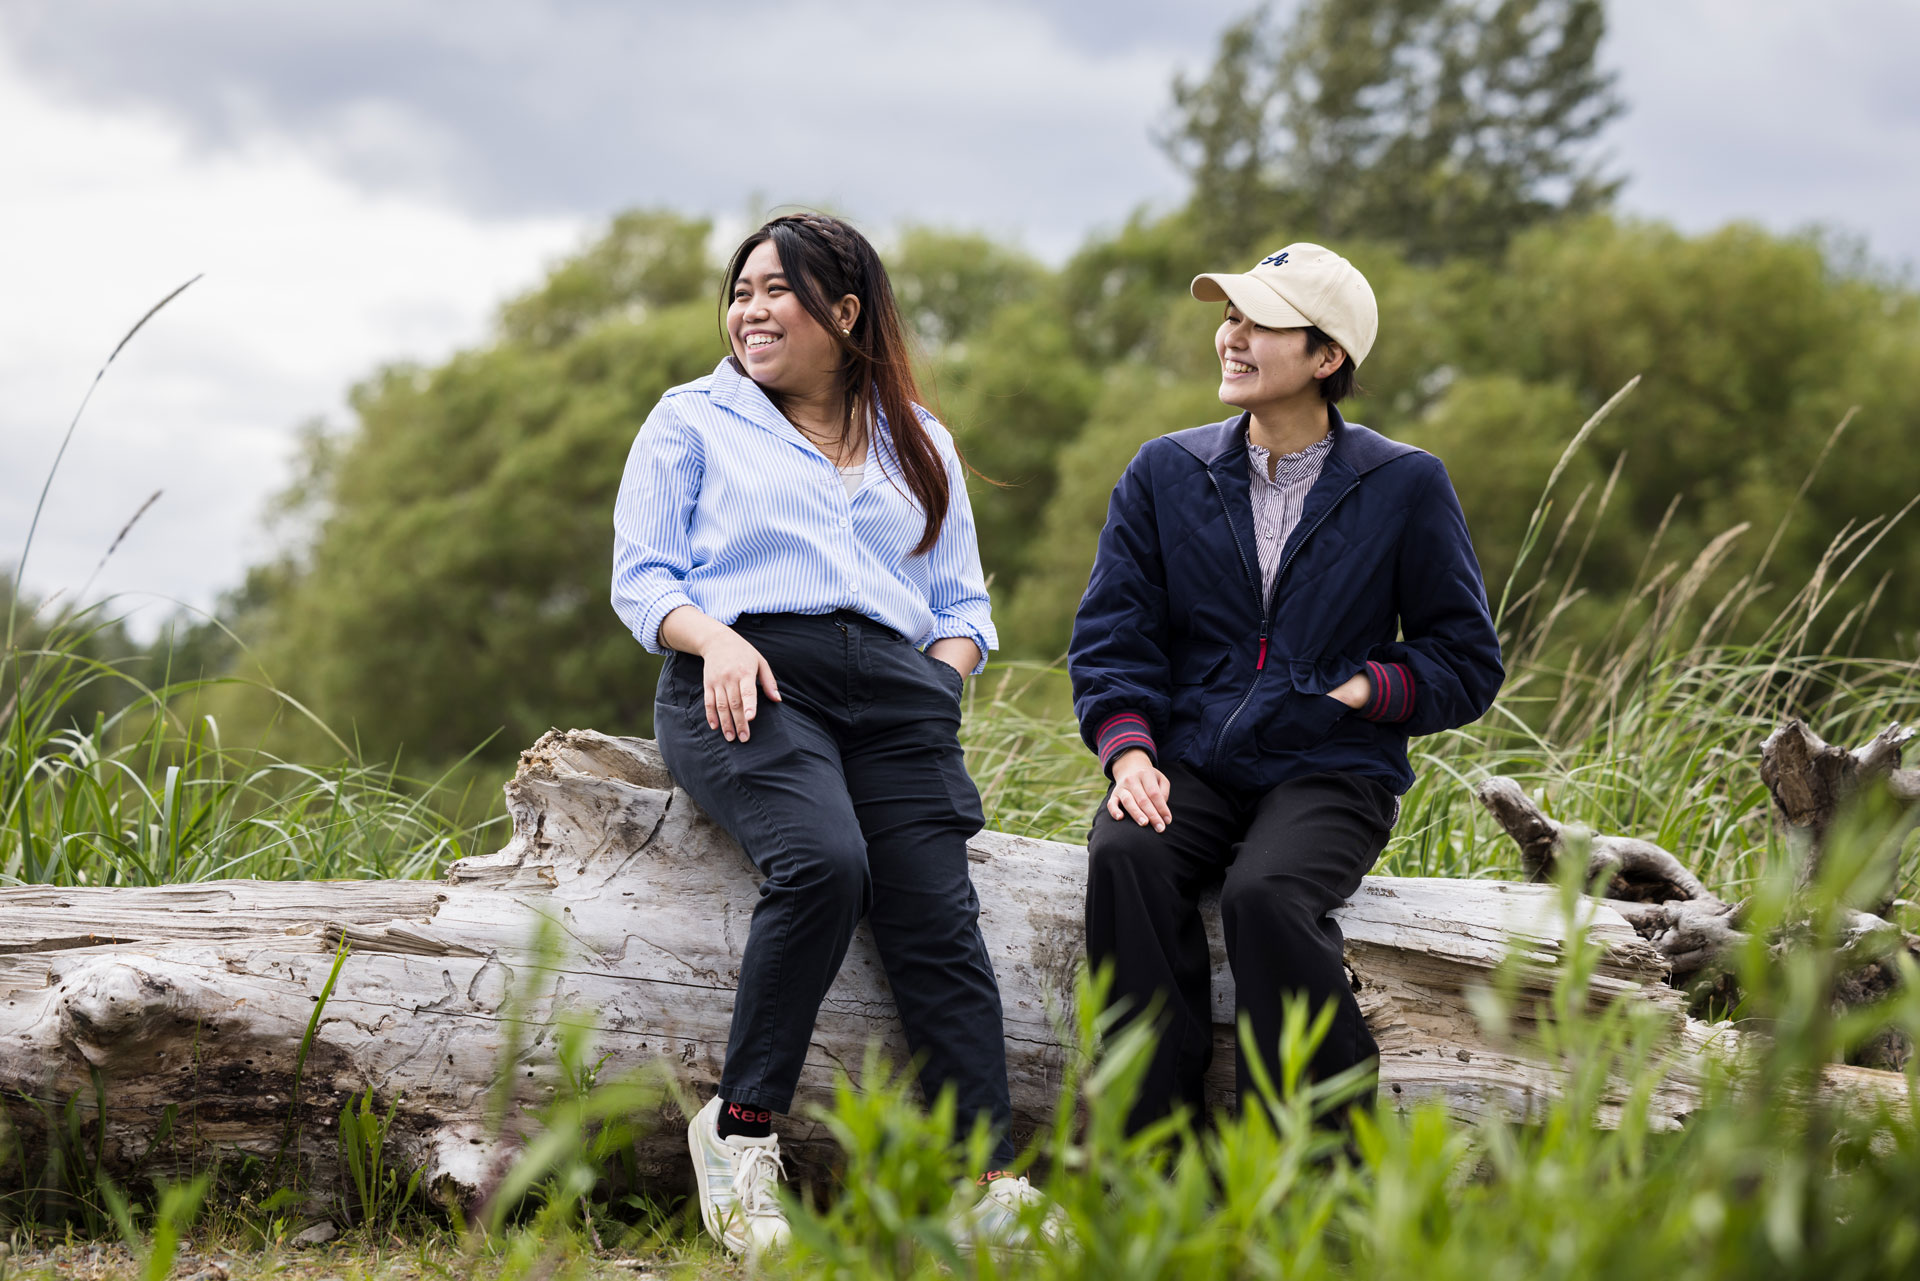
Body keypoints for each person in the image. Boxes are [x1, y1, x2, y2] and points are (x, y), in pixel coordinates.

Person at [611, 212, 1044, 1258]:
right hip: (750, 682)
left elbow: (962, 610)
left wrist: (938, 690)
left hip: (897, 701)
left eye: (777, 293)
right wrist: (711, 641)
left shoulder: (920, 440)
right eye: (741, 291)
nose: (749, 312)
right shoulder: (691, 421)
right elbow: (643, 580)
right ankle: (741, 1130)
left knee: (939, 917)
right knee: (823, 862)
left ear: (845, 315)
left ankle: (985, 1184)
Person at [1069, 242, 1503, 1136]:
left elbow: (1466, 658)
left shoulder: (1404, 484)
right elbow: (1114, 637)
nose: (1230, 335)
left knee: (1264, 896)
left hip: (1332, 770)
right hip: (1190, 758)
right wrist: (1130, 751)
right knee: (1125, 854)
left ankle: (1315, 1185)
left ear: (1326, 356)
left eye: (1258, 322)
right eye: (1229, 316)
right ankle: (1149, 1165)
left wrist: (1363, 689)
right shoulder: (1165, 472)